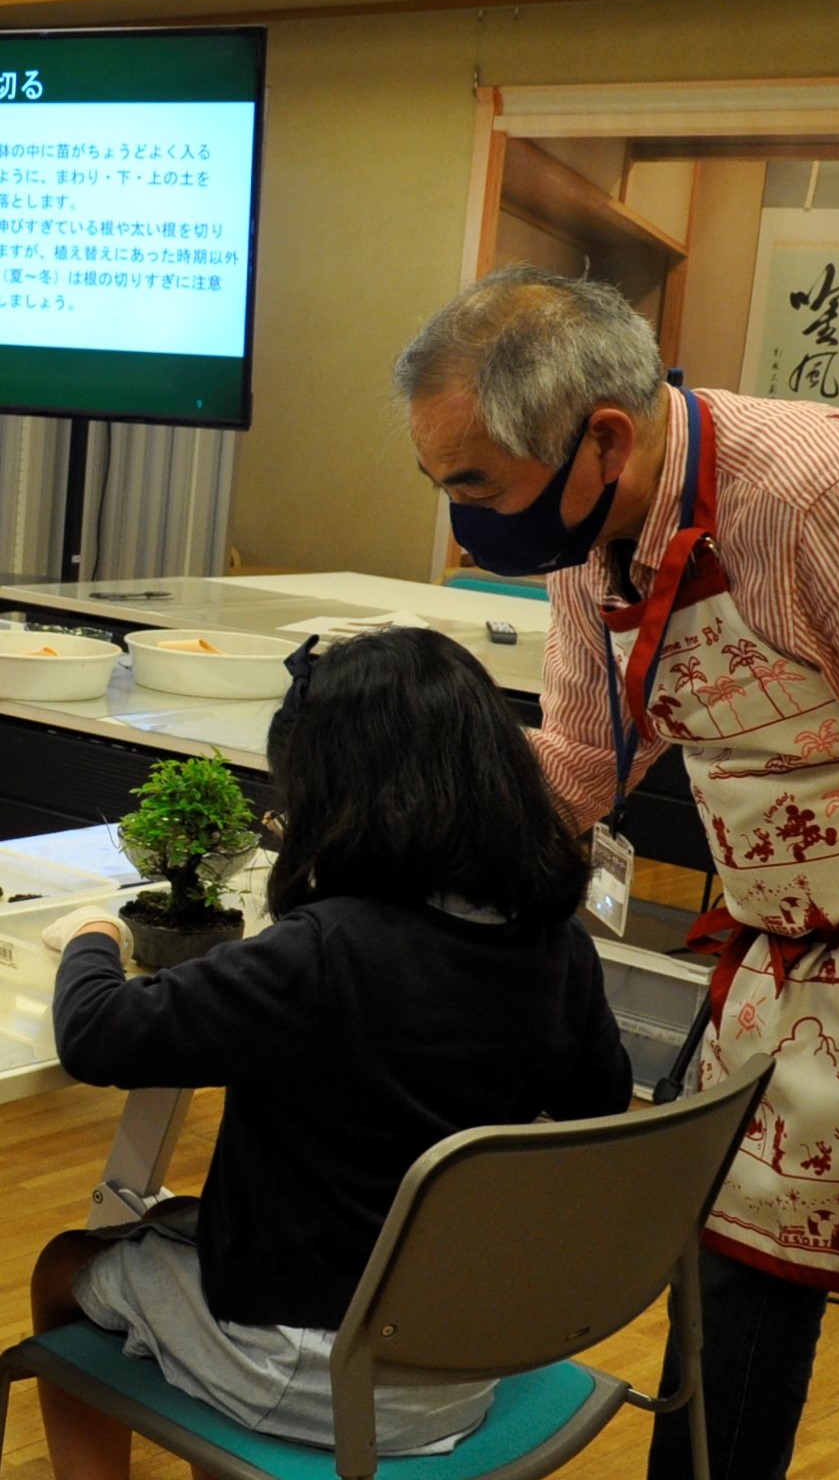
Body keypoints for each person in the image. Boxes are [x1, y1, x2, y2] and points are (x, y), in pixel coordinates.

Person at [393, 263, 839, 1480]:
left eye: (472, 481)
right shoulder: (594, 531)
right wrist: (397, 858)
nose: (463, 512)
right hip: (786, 962)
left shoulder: (832, 500)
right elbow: (578, 762)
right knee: (724, 1302)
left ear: (601, 438)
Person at [32, 625, 632, 1480]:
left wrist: (94, 933)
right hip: (464, 1356)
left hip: (319, 1370)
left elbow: (94, 1034)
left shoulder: (323, 953)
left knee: (68, 1265)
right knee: (180, 1235)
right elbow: (596, 1108)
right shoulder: (555, 943)